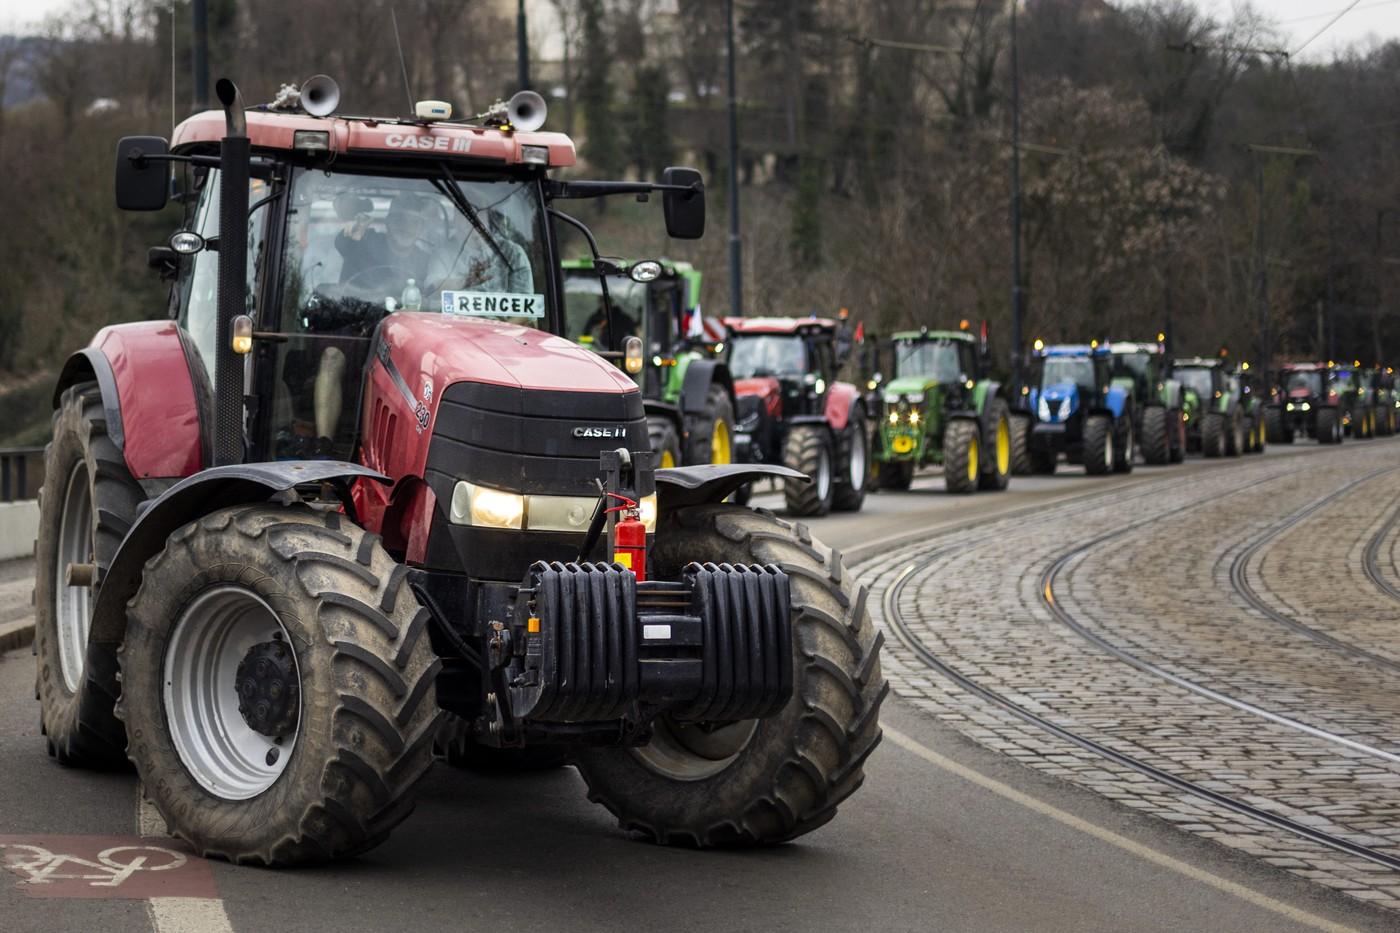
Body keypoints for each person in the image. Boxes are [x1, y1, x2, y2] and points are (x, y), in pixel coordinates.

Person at [335, 194, 433, 292]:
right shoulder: (365, 242)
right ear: (387, 221)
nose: (406, 227)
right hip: (355, 306)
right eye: (399, 219)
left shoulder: (426, 262)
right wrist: (353, 223)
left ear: (421, 228)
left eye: (415, 222)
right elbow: (344, 242)